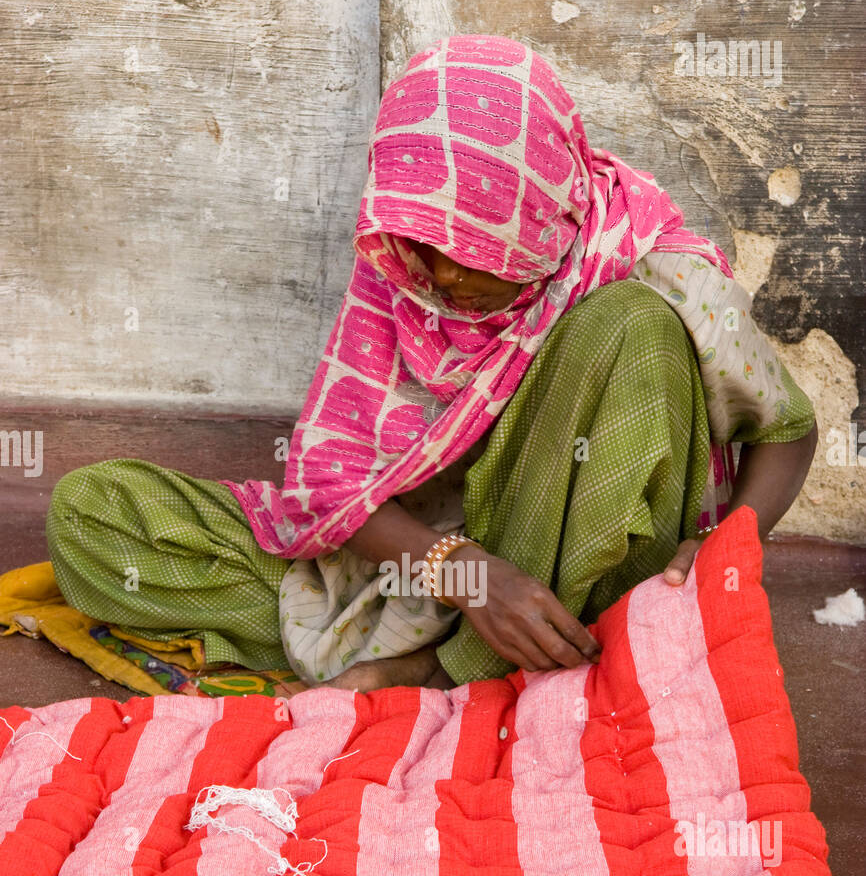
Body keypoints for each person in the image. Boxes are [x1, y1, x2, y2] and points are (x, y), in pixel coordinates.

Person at [46, 34, 817, 695]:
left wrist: (723, 543)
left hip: (582, 563)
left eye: (468, 253)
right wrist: (469, 576)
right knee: (92, 510)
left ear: (535, 218)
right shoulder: (405, 264)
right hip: (436, 564)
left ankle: (449, 669)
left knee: (631, 328)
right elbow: (334, 488)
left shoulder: (650, 269)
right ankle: (443, 655)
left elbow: (790, 431)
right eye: (423, 245)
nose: (439, 277)